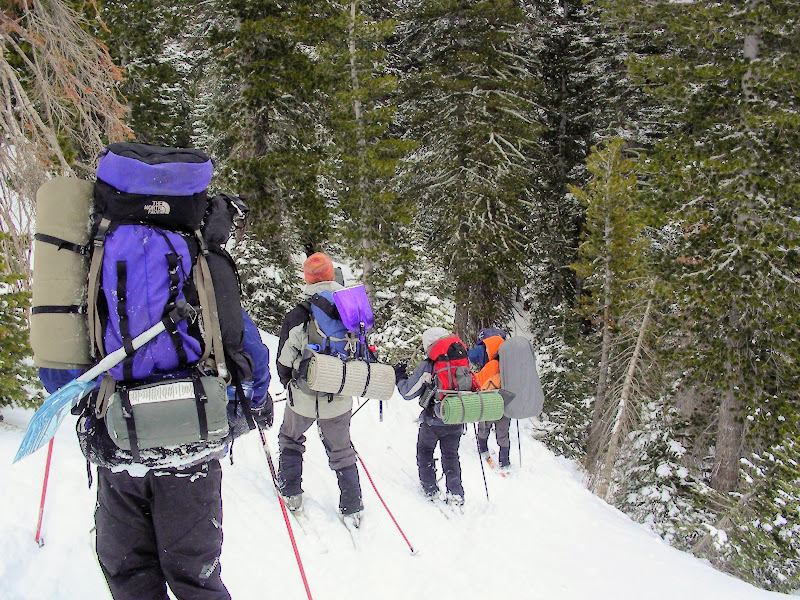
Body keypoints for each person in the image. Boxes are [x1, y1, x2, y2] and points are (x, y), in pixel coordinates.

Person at [275, 252, 364, 528]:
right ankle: (352, 506)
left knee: (291, 438)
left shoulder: (298, 315)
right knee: (341, 450)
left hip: (303, 395)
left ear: (308, 279)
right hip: (338, 395)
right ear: (331, 275)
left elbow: (284, 359)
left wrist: (288, 381)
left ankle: (291, 492)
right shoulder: (351, 310)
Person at [394, 327, 471, 506]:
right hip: (457, 417)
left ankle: (429, 488)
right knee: (451, 455)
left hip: (433, 420)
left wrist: (400, 376)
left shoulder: (429, 365)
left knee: (425, 451)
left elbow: (408, 392)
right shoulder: (461, 360)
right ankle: (455, 492)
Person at [469, 328, 511, 468]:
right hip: (507, 398)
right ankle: (504, 461)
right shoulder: (510, 362)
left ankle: (482, 449)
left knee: (484, 425)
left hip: (490, 397)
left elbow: (479, 381)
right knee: (503, 431)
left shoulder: (491, 363)